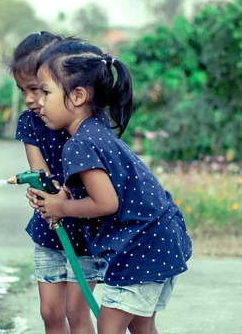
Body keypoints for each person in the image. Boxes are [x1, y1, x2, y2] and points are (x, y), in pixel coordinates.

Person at [27, 40, 192, 334]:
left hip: (141, 244)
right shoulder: (96, 127)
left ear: (77, 96)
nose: (38, 101)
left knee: (109, 326)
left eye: (46, 92)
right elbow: (101, 184)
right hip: (159, 236)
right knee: (141, 325)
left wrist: (60, 207)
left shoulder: (78, 143)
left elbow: (106, 203)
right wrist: (65, 194)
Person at [11, 32, 107, 334]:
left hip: (85, 223)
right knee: (51, 313)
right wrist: (45, 192)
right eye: (22, 90)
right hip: (51, 227)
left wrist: (66, 197)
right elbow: (41, 175)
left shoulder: (86, 122)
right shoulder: (30, 122)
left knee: (76, 312)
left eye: (38, 89)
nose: (29, 98)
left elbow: (101, 180)